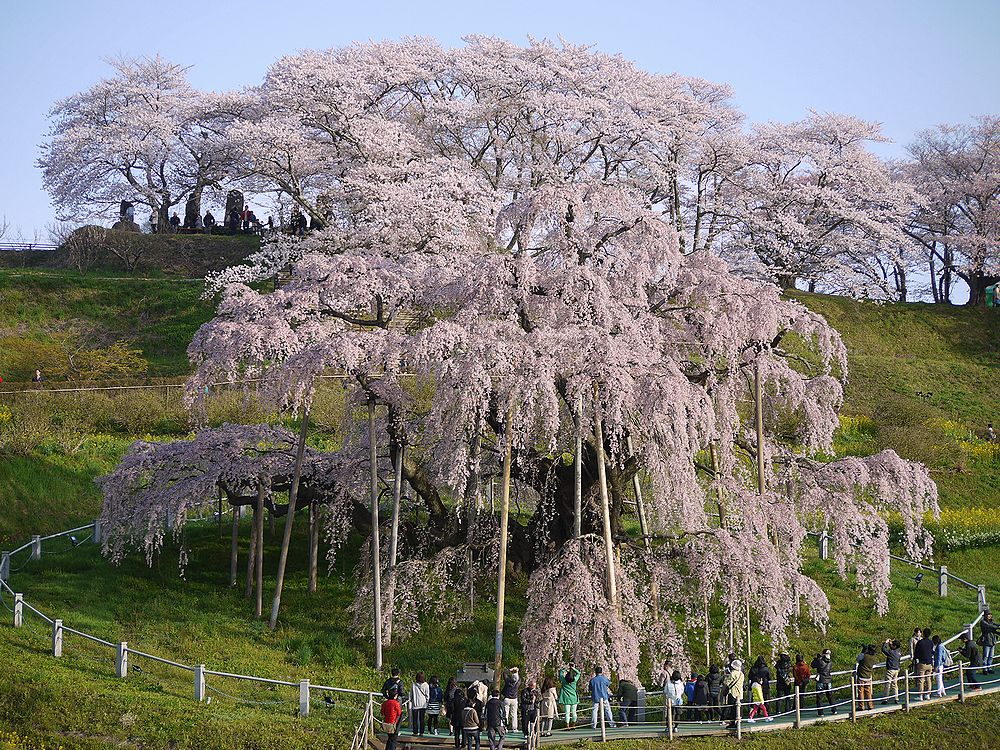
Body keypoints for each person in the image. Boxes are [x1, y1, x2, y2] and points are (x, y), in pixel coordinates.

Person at [811, 649, 837, 715]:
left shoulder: (819, 661)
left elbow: (812, 665)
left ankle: (820, 712)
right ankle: (834, 710)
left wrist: (816, 659)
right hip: (828, 681)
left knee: (819, 698)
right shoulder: (830, 662)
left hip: (821, 681)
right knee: (830, 696)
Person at [722, 659, 745, 729]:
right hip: (740, 693)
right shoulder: (741, 674)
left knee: (732, 708)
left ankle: (733, 723)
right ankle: (738, 722)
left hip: (733, 692)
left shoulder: (733, 673)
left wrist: (725, 677)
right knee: (738, 708)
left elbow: (726, 683)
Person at [914, 627, 935, 700]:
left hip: (922, 663)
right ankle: (928, 694)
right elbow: (932, 652)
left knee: (921, 679)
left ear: (923, 634)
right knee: (928, 679)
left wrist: (916, 659)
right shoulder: (931, 642)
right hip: (929, 663)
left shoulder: (920, 642)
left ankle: (920, 695)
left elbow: (916, 653)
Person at [558, 663, 580, 729]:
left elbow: (561, 672)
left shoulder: (564, 681)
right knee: (574, 712)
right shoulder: (574, 681)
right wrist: (573, 668)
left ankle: (567, 726)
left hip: (566, 698)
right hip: (574, 698)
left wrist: (566, 668)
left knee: (567, 713)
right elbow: (578, 673)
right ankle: (573, 724)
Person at [856, 644, 877, 710]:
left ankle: (861, 706)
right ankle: (870, 705)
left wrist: (863, 651)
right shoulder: (874, 658)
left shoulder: (863, 656)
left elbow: (858, 659)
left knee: (860, 692)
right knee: (868, 692)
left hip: (861, 676)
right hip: (868, 676)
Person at [881, 639, 902, 704]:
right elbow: (892, 648)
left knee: (887, 684)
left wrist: (886, 643)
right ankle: (896, 698)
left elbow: (884, 650)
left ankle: (885, 699)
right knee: (894, 685)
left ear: (895, 646)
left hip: (890, 670)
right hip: (896, 669)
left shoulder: (891, 652)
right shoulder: (899, 652)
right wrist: (890, 643)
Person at [449, 680, 468, 749]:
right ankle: (463, 744)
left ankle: (457, 744)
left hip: (455, 717)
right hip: (463, 717)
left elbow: (451, 708)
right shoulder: (465, 700)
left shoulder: (453, 700)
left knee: (456, 732)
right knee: (464, 732)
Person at [410, 671, 430, 736]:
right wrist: (426, 701)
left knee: (415, 720)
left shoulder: (413, 685)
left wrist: (412, 700)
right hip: (423, 704)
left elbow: (411, 695)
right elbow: (427, 695)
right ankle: (421, 732)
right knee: (422, 719)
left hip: (415, 704)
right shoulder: (426, 685)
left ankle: (415, 732)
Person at [500, 667, 520, 731]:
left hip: (507, 698)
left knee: (505, 713)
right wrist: (517, 672)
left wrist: (510, 669)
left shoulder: (508, 680)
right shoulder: (517, 683)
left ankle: (505, 727)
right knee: (514, 714)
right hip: (514, 699)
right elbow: (519, 678)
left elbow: (504, 673)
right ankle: (514, 728)